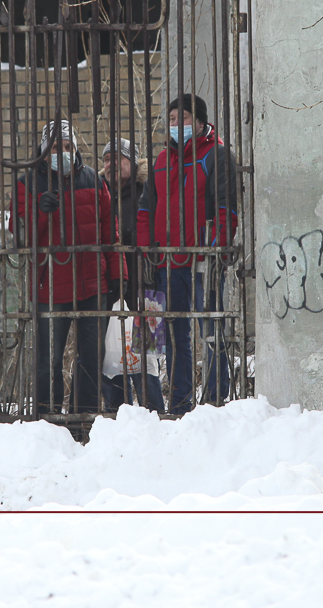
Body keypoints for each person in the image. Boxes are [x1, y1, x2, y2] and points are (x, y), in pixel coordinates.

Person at [10, 120, 124, 414]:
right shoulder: (27, 182)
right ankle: (46, 417)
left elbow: (110, 233)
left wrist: (117, 274)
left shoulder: (94, 180)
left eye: (67, 146)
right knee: (48, 362)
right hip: (50, 286)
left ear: (75, 148)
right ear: (43, 151)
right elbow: (19, 235)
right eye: (54, 148)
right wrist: (39, 211)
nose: (61, 152)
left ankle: (83, 418)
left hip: (93, 284)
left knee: (91, 359)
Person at [136, 94, 238, 414]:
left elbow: (226, 209)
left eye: (182, 118)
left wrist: (217, 248)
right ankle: (180, 401)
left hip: (202, 260)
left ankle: (215, 399)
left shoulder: (216, 155)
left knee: (211, 331)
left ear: (200, 121)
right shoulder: (162, 160)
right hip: (167, 262)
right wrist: (147, 251)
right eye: (171, 119)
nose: (175, 124)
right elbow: (145, 209)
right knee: (174, 333)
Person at [100, 137, 163, 412]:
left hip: (146, 285)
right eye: (106, 159)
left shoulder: (146, 192)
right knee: (110, 358)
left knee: (147, 362)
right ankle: (116, 414)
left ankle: (155, 414)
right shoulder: (100, 192)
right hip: (108, 288)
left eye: (118, 158)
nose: (111, 164)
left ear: (133, 163)